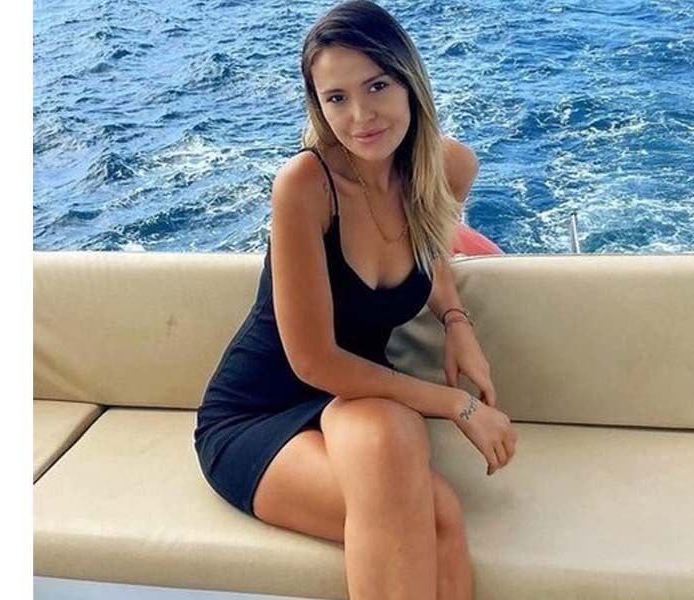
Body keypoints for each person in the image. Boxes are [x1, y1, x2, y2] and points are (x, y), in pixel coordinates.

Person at [194, 2, 517, 598]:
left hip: (360, 394)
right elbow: (313, 361)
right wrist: (458, 405)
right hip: (258, 412)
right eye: (336, 98)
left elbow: (431, 244)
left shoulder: (446, 167)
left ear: (409, 82)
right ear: (317, 106)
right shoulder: (306, 186)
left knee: (422, 490)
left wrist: (455, 321)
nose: (361, 116)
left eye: (377, 86)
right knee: (434, 514)